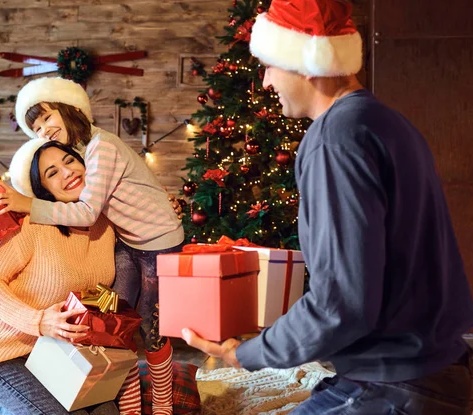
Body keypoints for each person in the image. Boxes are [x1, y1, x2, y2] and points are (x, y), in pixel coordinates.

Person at [182, 0, 473, 414]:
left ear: (304, 61)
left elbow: (341, 303)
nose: (265, 83)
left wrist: (246, 354)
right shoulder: (386, 121)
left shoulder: (333, 139)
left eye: (268, 65)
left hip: (394, 386)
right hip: (433, 370)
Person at [0, 77, 184, 415]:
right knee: (115, 320)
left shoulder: (101, 147)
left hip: (157, 244)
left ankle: (162, 404)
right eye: (35, 127)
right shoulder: (79, 158)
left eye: (47, 117)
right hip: (128, 243)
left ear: (69, 108)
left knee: (150, 326)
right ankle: (130, 406)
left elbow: (90, 211)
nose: (44, 129)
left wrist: (27, 204)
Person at [0, 139, 125, 415]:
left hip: (55, 355)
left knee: (106, 412)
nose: (67, 172)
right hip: (0, 355)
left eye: (70, 161)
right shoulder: (34, 226)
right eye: (52, 173)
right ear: (44, 191)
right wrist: (38, 321)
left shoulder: (106, 225)